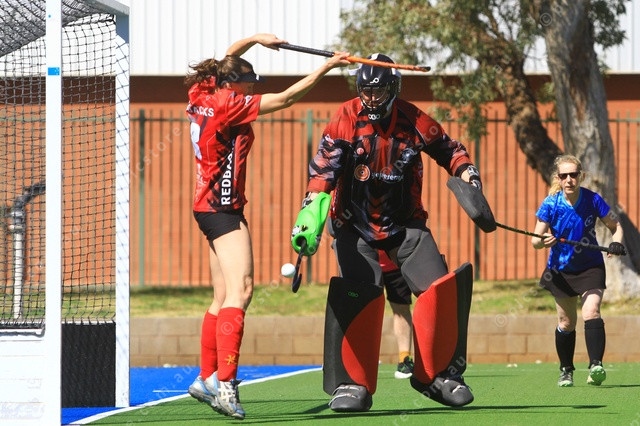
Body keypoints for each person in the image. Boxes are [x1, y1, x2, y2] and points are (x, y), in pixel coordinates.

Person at [293, 53, 481, 412]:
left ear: (394, 88)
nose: (372, 97)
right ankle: (352, 384)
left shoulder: (415, 120)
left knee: (440, 290)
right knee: (359, 295)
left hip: (406, 223)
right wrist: (311, 209)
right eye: (366, 90)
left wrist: (468, 174)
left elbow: (448, 150)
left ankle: (438, 376)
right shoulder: (345, 118)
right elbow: (324, 169)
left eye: (379, 91)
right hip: (354, 224)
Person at [184, 33, 350, 419]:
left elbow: (227, 56)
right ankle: (226, 385)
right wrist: (327, 67)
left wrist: (256, 40)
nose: (252, 88)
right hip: (223, 210)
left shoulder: (203, 90)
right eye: (249, 83)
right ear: (232, 85)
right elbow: (287, 99)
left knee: (222, 296)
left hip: (206, 207)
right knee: (241, 292)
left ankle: (206, 377)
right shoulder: (228, 105)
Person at [531, 154, 626, 388]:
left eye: (573, 175)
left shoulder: (593, 200)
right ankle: (566, 370)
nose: (569, 180)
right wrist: (544, 241)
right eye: (564, 176)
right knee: (566, 323)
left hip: (590, 266)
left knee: (591, 311)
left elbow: (616, 225)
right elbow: (535, 240)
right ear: (558, 178)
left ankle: (596, 366)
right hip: (560, 270)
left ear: (580, 176)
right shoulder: (550, 203)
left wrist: (617, 242)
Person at [379, 250, 414, 379]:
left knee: (401, 310)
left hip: (396, 263)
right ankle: (363, 359)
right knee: (363, 310)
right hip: (366, 264)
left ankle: (404, 359)